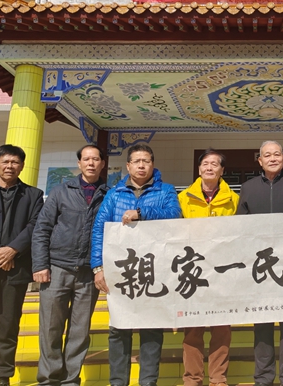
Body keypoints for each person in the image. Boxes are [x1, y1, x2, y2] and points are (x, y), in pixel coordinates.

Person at [90, 143, 181, 386]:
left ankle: (148, 381)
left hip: (154, 269)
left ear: (153, 164)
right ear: (128, 166)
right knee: (119, 329)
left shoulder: (166, 191)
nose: (142, 166)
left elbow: (175, 215)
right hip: (121, 269)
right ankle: (118, 381)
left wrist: (141, 212)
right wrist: (98, 267)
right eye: (137, 161)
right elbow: (99, 229)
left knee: (152, 328)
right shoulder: (114, 194)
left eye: (146, 161)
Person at [236, 141, 283, 386]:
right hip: (260, 267)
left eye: (276, 154)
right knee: (262, 325)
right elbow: (240, 226)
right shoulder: (248, 188)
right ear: (259, 161)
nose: (272, 158)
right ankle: (263, 377)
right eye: (267, 155)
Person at [32, 144, 109, 386]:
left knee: (79, 331)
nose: (91, 163)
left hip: (88, 272)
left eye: (95, 159)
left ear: (102, 164)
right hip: (57, 268)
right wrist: (40, 265)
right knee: (50, 328)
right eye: (86, 159)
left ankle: (70, 380)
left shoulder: (109, 195)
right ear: (79, 163)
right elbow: (42, 229)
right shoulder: (60, 191)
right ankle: (49, 379)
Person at [0, 144, 44, 386]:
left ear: (22, 166)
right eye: (5, 162)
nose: (10, 166)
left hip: (15, 269)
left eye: (15, 162)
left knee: (7, 326)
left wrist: (12, 250)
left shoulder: (34, 195)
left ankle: (2, 376)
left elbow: (35, 226)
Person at [178, 149, 239, 386]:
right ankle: (192, 378)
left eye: (215, 164)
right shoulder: (183, 198)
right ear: (199, 169)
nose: (209, 167)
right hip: (192, 270)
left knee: (221, 328)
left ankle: (218, 378)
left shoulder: (234, 199)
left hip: (222, 271)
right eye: (205, 163)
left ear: (222, 170)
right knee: (193, 327)